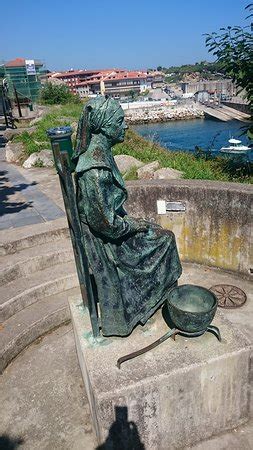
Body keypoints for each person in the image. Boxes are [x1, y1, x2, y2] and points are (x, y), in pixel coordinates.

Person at [72, 96, 182, 336]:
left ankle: (156, 295)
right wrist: (137, 224)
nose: (125, 126)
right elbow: (107, 225)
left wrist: (135, 224)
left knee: (160, 235)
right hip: (107, 243)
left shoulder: (101, 154)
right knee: (166, 239)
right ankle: (155, 298)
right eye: (120, 121)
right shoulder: (95, 171)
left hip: (112, 229)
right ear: (104, 126)